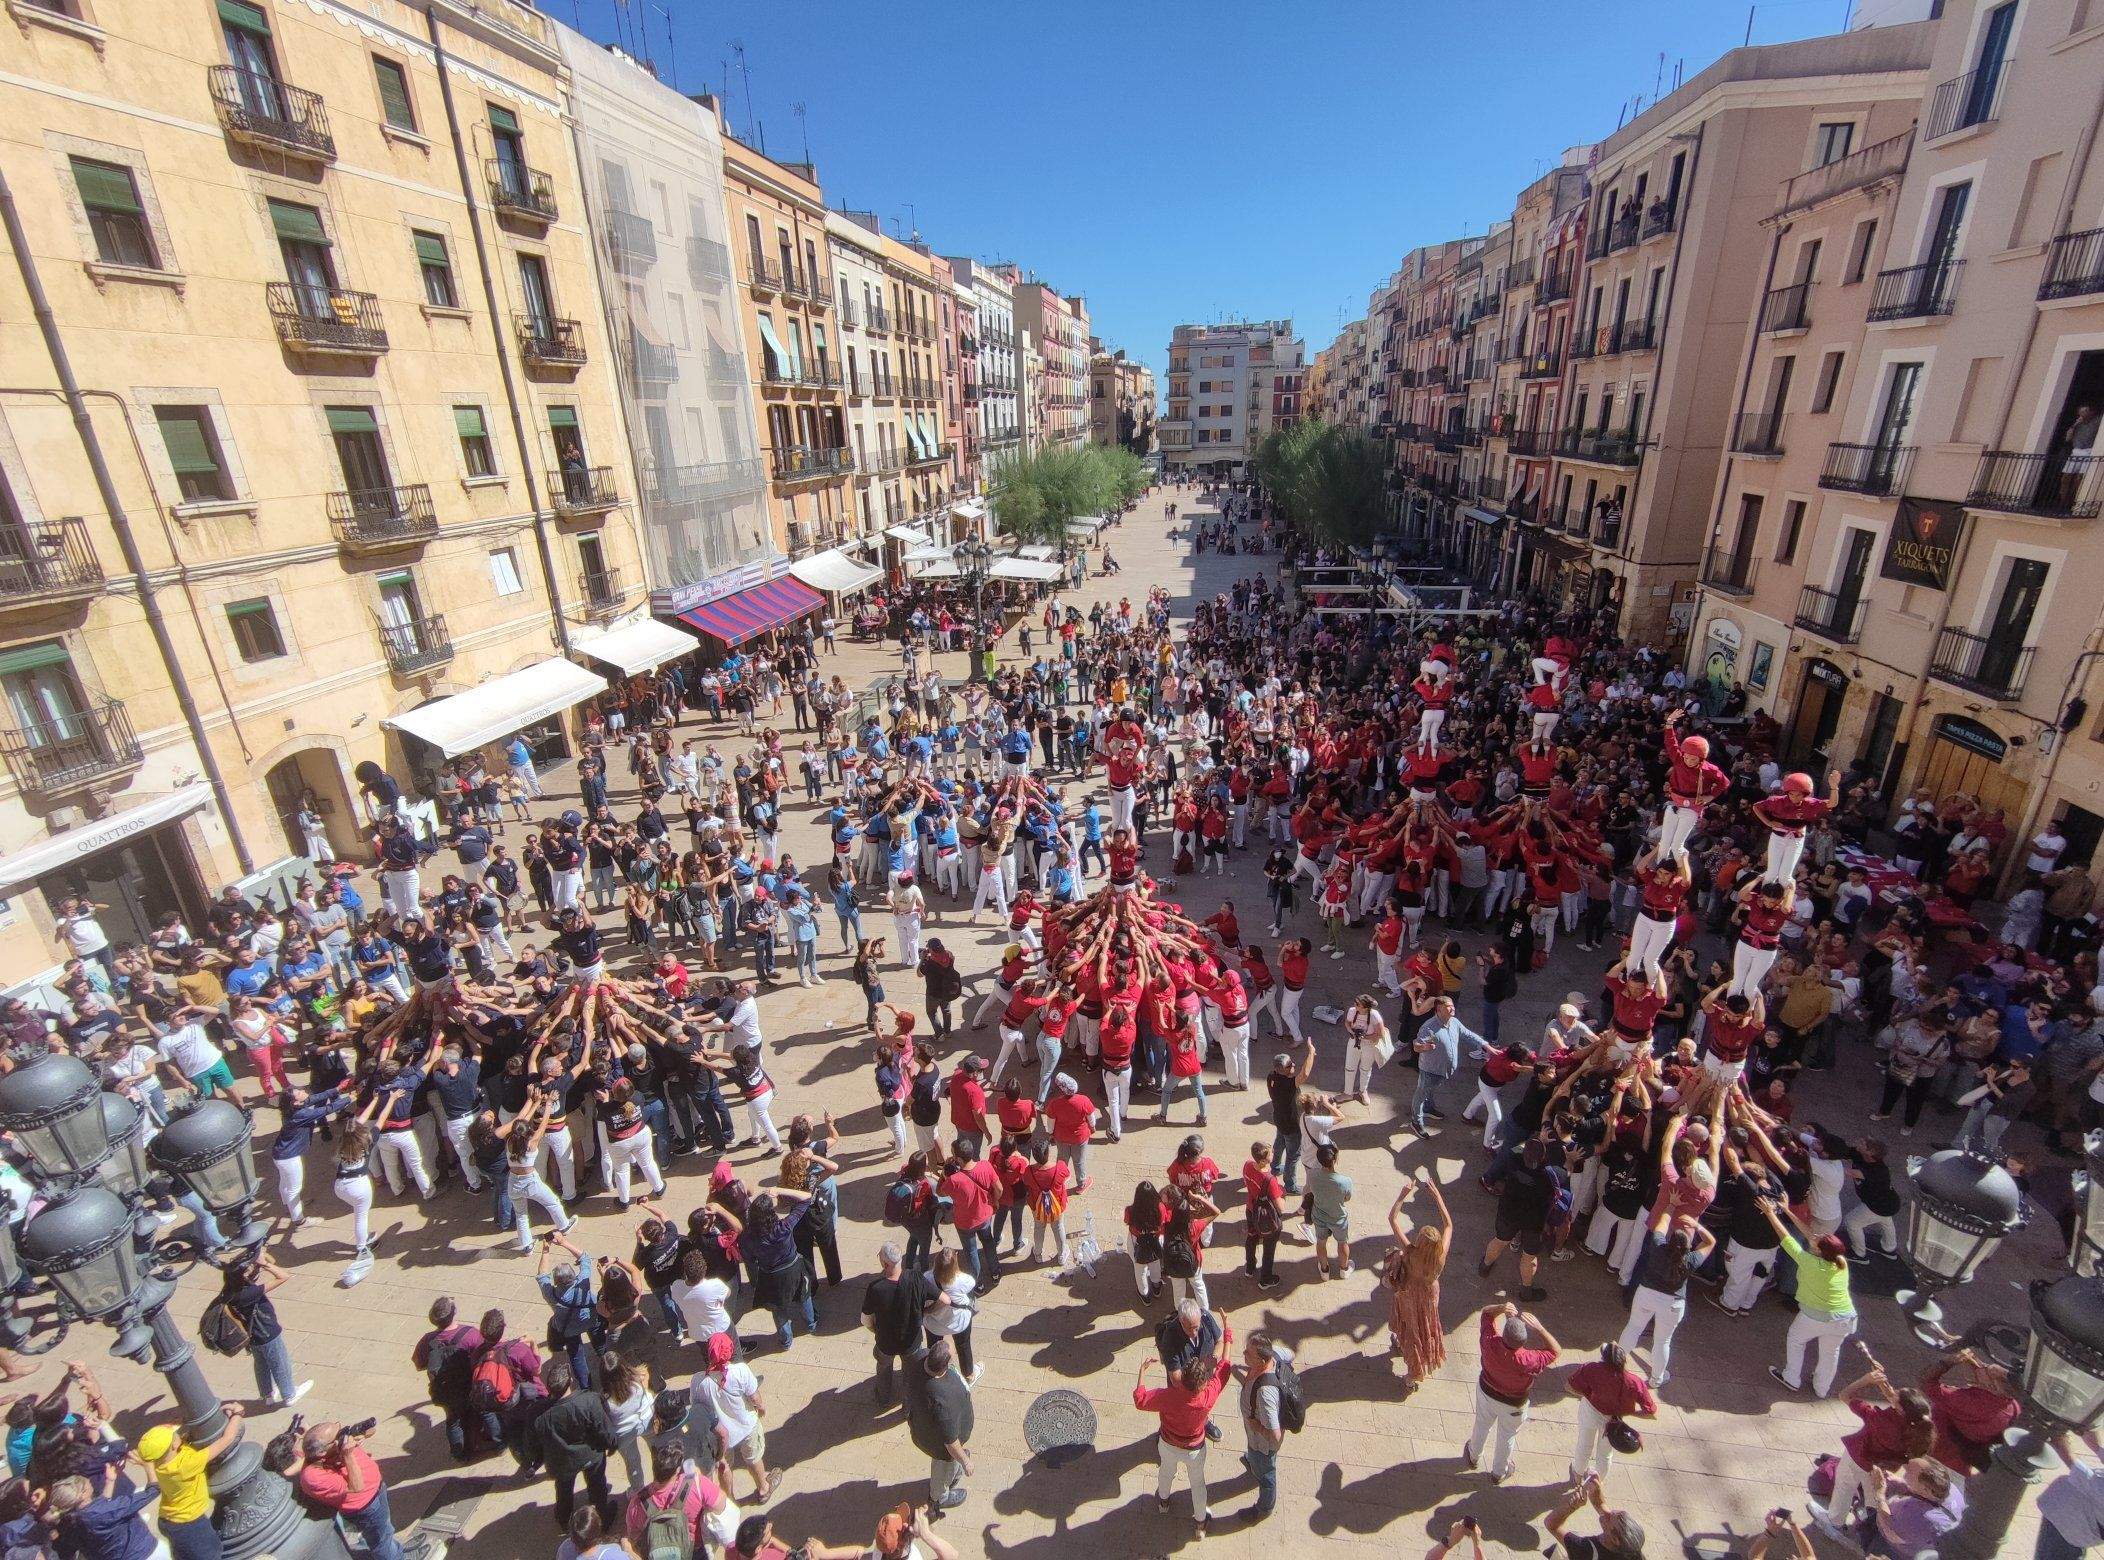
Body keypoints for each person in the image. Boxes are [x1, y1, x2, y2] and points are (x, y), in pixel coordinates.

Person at [1134, 1320, 1234, 1534]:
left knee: (1165, 1473)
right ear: (1203, 1382)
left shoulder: (1168, 1396)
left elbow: (1140, 1400)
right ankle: (1200, 1523)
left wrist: (1142, 1372)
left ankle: (1163, 1502)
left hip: (1168, 1444)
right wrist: (1227, 1333)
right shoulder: (1208, 1396)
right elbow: (1225, 1366)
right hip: (1195, 1449)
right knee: (1197, 1484)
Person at [1760, 1198, 1857, 1398]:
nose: (1815, 1237)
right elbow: (1811, 1236)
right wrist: (1787, 1210)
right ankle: (1821, 1389)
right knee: (1830, 1353)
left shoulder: (1808, 1261)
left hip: (1814, 1316)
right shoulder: (1840, 1262)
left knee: (1796, 1339)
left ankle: (1791, 1377)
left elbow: (1786, 1238)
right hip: (1845, 1318)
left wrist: (1770, 1213)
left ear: (1819, 1251)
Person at [1464, 1301, 1561, 1485]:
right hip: (1514, 1405)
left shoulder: (1490, 1343)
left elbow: (1486, 1314)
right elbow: (1556, 1351)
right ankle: (1499, 1472)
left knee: (1482, 1424)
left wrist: (1502, 1307)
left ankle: (1473, 1456)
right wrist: (1540, 1328)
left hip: (1487, 1392)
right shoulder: (1528, 1359)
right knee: (1507, 1436)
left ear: (1503, 1336)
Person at [291, 1420, 406, 1560]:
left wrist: (362, 1434)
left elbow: (371, 1431)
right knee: (380, 1540)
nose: (342, 1437)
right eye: (337, 1437)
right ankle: (395, 1556)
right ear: (322, 1452)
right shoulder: (314, 1476)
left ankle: (395, 1550)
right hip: (367, 1506)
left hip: (377, 1491)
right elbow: (357, 1487)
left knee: (385, 1531)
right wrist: (348, 1455)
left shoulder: (332, 1447)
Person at [140, 1407, 245, 1560]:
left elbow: (175, 1445)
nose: (178, 1434)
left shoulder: (159, 1463)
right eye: (174, 1435)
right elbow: (227, 1439)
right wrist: (237, 1414)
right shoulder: (186, 1465)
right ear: (174, 1446)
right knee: (211, 1554)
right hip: (189, 1524)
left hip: (168, 1520)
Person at [529, 1356, 617, 1534]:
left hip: (561, 1462)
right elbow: (603, 1428)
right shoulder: (590, 1400)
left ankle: (564, 1518)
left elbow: (533, 1443)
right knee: (597, 1486)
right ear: (570, 1381)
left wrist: (535, 1461)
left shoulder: (539, 1414)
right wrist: (612, 1444)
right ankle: (602, 1517)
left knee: (563, 1490)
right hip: (591, 1455)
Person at [1384, 1171, 1453, 1390]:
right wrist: (1437, 1197)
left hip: (1408, 1292)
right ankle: (1417, 1360)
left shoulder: (1411, 1252)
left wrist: (1403, 1195)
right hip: (1430, 1295)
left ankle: (1414, 1372)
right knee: (1426, 1327)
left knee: (1411, 1328)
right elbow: (1449, 1225)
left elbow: (1392, 1219)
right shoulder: (1439, 1258)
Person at [217, 1249, 312, 1407]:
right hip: (267, 1332)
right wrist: (264, 1263)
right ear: (244, 1277)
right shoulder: (249, 1292)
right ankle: (289, 1394)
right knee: (279, 1362)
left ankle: (267, 1394)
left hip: (252, 1335)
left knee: (261, 1365)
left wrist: (259, 1260)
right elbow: (283, 1276)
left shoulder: (230, 1291)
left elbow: (271, 1263)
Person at [694, 1332, 773, 1505]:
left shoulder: (698, 1381)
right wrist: (760, 1410)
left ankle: (729, 1500)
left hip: (719, 1435)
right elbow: (755, 1398)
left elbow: (697, 1408)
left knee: (723, 1466)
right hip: (746, 1426)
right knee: (753, 1459)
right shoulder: (741, 1371)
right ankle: (763, 1488)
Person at [1568, 1340, 1658, 1481]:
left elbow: (1571, 1386)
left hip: (1591, 1411)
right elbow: (1650, 1412)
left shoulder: (1592, 1369)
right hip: (1614, 1421)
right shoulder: (1635, 1382)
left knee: (1584, 1444)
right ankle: (1596, 1482)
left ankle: (1577, 1474)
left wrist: (1586, 1395)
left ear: (1603, 1358)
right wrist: (1630, 1412)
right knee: (1605, 1454)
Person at [903, 1337, 974, 1512]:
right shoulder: (942, 1402)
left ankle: (954, 1469)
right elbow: (950, 1443)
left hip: (922, 1424)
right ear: (944, 1368)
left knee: (951, 1462)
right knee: (944, 1466)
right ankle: (939, 1497)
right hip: (941, 1447)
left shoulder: (919, 1358)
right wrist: (965, 1461)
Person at [1234, 1329, 1293, 1524]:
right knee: (1255, 1458)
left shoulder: (1265, 1395)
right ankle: (1252, 1462)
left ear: (1261, 1361)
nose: (1243, 1355)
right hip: (1254, 1442)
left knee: (1266, 1475)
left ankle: (1264, 1507)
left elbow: (1275, 1437)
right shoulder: (1273, 1353)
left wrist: (1256, 1426)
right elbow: (1290, 1354)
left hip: (1262, 1446)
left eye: (1248, 1354)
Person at [861, 1242, 922, 1408]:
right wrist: (925, 1314)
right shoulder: (915, 1278)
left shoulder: (876, 1288)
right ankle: (908, 1407)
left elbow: (865, 1319)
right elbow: (944, 1300)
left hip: (885, 1343)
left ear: (885, 1264)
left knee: (883, 1369)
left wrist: (875, 1329)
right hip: (911, 1343)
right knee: (909, 1374)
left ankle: (883, 1398)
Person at [1544, 1474, 1647, 1559]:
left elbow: (1551, 1524)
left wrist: (1572, 1506)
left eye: (1610, 1517)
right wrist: (1596, 1492)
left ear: (1615, 1539)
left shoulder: (1585, 1549)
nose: (1607, 1512)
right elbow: (1602, 1507)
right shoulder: (1631, 1551)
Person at [2037, 1430, 2104, 1560]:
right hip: (2074, 1523)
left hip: (2067, 1526)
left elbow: (2084, 1478)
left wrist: (2062, 1445)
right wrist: (2097, 1447)